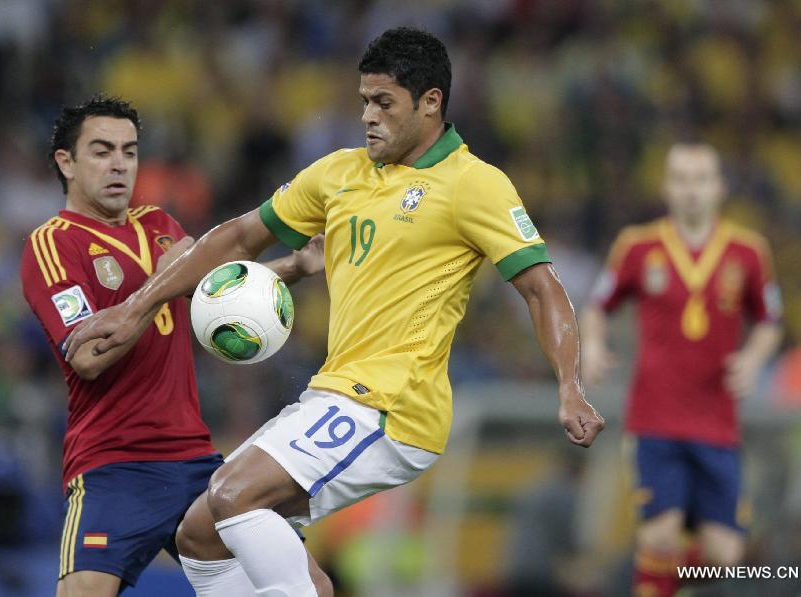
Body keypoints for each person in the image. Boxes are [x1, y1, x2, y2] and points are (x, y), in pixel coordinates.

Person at [65, 28, 605, 597]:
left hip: (393, 404)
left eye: (384, 103)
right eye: (364, 102)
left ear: (431, 103)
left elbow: (542, 288)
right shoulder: (338, 173)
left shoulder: (475, 185)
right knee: (201, 533)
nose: (368, 116)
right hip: (335, 394)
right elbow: (242, 237)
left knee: (233, 495)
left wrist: (568, 385)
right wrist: (138, 306)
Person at [19, 95, 329, 596]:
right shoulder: (54, 244)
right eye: (101, 151)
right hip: (114, 467)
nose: (119, 163)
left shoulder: (160, 226)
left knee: (309, 583)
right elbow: (86, 358)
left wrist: (293, 267)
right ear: (66, 163)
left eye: (129, 151)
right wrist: (158, 285)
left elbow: (211, 298)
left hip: (194, 463)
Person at [581, 143, 783, 597]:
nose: (692, 190)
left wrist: (752, 359)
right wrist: (592, 346)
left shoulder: (749, 252)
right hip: (655, 418)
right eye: (682, 179)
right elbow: (597, 305)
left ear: (720, 187)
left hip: (717, 421)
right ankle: (654, 576)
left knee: (724, 556)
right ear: (666, 187)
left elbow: (770, 321)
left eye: (701, 179)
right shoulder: (637, 247)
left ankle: (658, 579)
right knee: (660, 535)